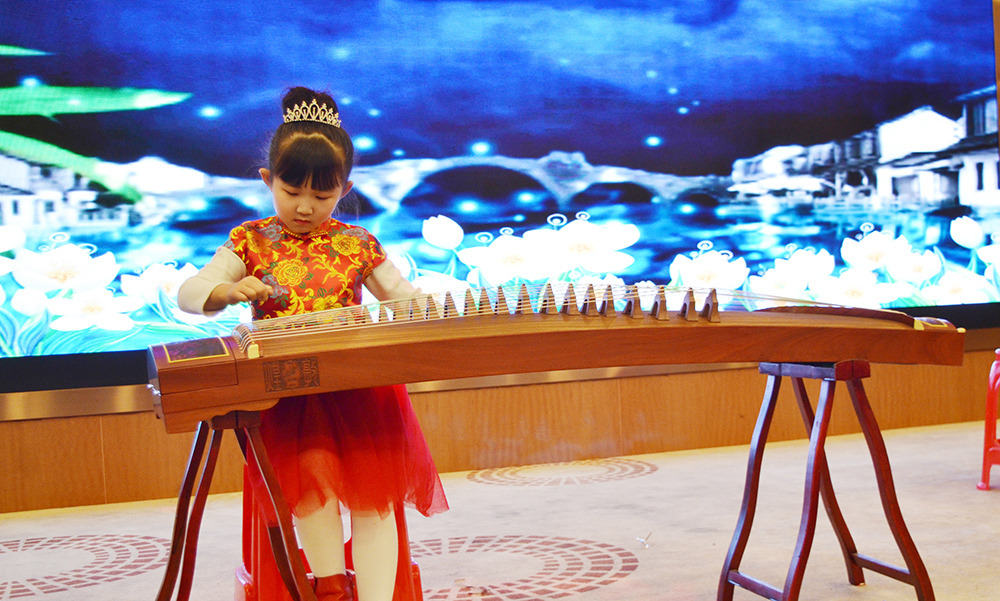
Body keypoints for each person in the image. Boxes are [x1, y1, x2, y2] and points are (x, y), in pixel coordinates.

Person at [177, 86, 448, 601]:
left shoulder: (357, 243)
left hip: (359, 390)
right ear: (267, 180)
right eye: (290, 191)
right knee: (311, 496)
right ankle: (330, 589)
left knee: (374, 503)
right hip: (290, 393)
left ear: (345, 189)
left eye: (322, 197)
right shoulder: (250, 241)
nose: (304, 208)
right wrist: (227, 290)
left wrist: (444, 310)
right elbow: (189, 293)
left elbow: (404, 299)